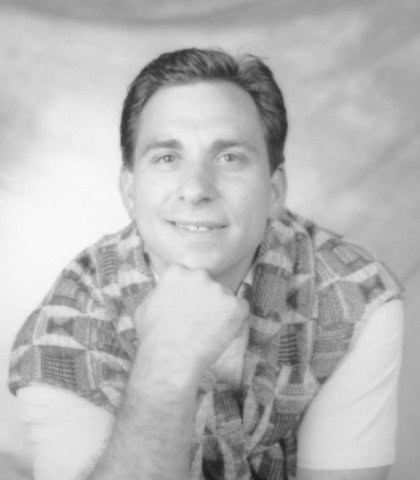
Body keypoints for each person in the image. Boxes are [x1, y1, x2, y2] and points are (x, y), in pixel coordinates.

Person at [9, 48, 404, 480]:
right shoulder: (65, 330)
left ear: (274, 190)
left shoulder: (351, 295)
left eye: (229, 157)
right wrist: (164, 363)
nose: (196, 189)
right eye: (167, 157)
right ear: (130, 191)